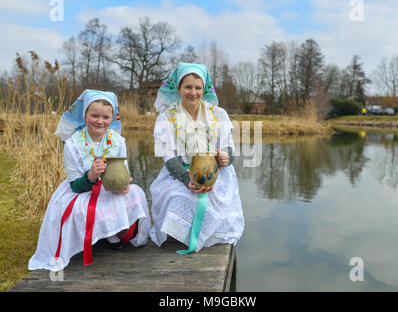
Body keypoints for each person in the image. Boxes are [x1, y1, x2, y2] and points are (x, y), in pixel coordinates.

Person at [28, 89, 151, 271]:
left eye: (105, 117)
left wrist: (125, 183)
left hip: (111, 188)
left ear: (112, 118)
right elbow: (75, 186)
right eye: (94, 115)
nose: (100, 121)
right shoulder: (73, 144)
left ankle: (112, 231)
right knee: (81, 207)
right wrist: (91, 176)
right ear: (85, 115)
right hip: (83, 190)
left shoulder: (117, 141)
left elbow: (125, 172)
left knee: (135, 193)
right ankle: (101, 235)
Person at [150, 62, 244, 254]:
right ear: (178, 88)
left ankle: (210, 235)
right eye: (188, 87)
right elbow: (168, 157)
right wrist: (187, 180)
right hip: (179, 172)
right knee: (179, 196)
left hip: (215, 171)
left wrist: (226, 158)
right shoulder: (166, 118)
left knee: (216, 195)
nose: (193, 92)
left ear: (204, 89)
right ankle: (180, 235)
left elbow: (228, 147)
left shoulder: (218, 114)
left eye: (198, 87)